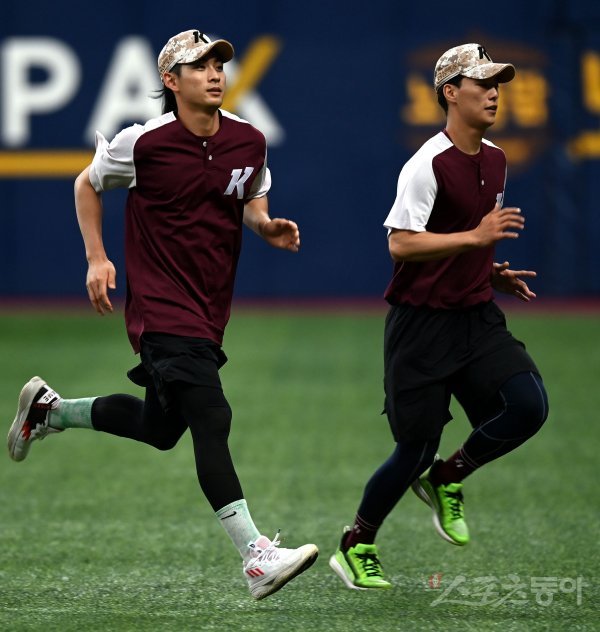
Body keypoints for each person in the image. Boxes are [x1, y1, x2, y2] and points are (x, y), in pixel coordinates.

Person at [7, 28, 318, 600]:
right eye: (199, 66)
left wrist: (265, 225)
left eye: (218, 63)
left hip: (209, 307)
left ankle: (50, 411)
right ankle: (255, 556)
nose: (215, 73)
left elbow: (252, 196)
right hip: (160, 307)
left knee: (161, 428)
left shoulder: (249, 140)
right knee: (211, 413)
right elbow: (86, 184)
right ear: (170, 81)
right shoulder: (143, 143)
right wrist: (96, 257)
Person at [329, 43, 549, 590]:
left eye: (497, 84)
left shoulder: (495, 159)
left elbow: (459, 239)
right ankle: (356, 544)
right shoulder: (427, 163)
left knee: (528, 406)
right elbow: (401, 244)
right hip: (421, 326)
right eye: (482, 83)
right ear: (451, 92)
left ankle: (448, 476)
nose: (494, 93)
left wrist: (487, 269)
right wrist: (474, 239)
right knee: (415, 448)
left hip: (475, 316)